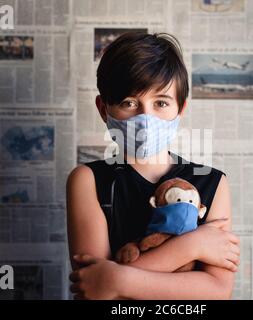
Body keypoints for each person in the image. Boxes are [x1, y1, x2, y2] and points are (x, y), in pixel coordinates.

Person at [66, 31, 240, 300]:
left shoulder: (213, 182)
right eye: (129, 103)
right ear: (104, 109)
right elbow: (93, 288)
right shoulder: (87, 180)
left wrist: (116, 279)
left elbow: (217, 291)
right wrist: (191, 246)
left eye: (160, 102)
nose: (145, 117)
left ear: (180, 108)